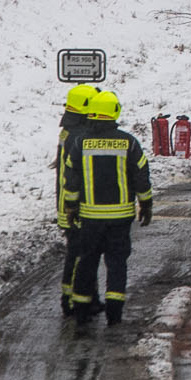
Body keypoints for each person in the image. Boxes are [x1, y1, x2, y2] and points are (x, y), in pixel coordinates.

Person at [57, 90, 152, 331]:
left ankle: (80, 312)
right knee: (117, 263)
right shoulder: (129, 142)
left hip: (89, 218)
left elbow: (71, 179)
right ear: (115, 112)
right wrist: (146, 204)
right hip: (120, 218)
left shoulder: (79, 143)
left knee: (87, 262)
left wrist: (71, 207)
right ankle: (114, 313)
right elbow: (141, 175)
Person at [52, 82, 98, 317]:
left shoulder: (69, 131)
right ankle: (70, 301)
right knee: (78, 255)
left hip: (68, 203)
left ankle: (85, 297)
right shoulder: (78, 136)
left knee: (81, 253)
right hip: (73, 205)